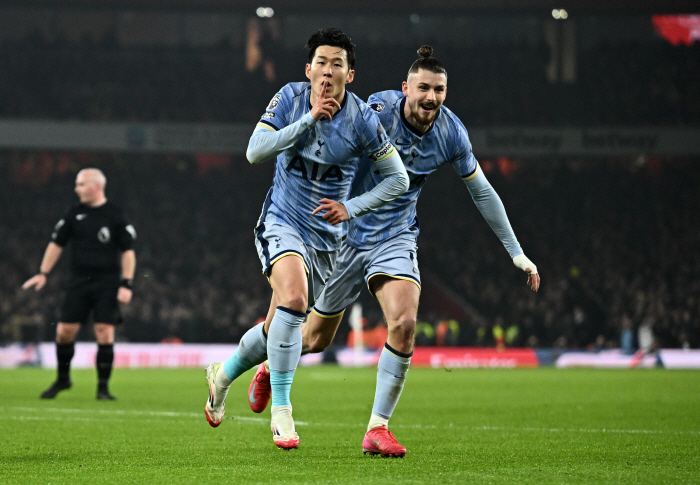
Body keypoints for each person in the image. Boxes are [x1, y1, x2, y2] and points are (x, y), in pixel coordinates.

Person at [246, 46, 541, 457]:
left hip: (394, 236)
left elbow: (482, 191)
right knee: (312, 339)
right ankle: (266, 366)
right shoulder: (376, 112)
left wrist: (516, 252)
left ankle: (377, 428)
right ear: (406, 89)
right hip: (343, 235)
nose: (431, 98)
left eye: (439, 90)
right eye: (423, 88)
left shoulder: (452, 133)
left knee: (404, 322)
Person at [203, 28, 409, 450]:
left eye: (338, 64)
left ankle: (222, 376)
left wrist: (352, 208)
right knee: (295, 301)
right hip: (281, 220)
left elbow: (398, 179)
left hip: (327, 240)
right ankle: (282, 413)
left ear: (350, 75)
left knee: (283, 325)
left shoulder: (363, 120)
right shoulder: (291, 98)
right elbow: (254, 151)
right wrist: (308, 119)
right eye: (321, 63)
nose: (328, 72)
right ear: (308, 69)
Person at [22, 168, 137, 400]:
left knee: (104, 332)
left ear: (96, 186)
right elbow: (56, 243)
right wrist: (43, 272)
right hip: (78, 282)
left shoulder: (115, 215)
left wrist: (126, 284)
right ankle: (63, 379)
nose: (76, 189)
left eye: (81, 184)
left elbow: (128, 252)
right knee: (64, 331)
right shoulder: (74, 214)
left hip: (107, 282)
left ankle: (103, 388)